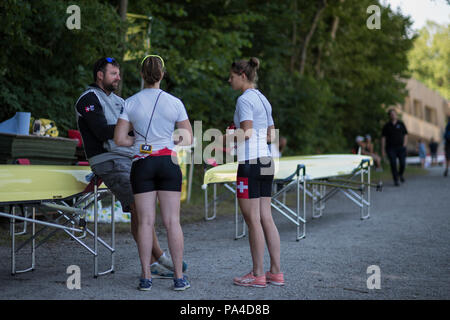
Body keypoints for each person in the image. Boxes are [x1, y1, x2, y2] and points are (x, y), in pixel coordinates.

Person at [75, 57, 184, 281]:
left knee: (143, 208)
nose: (119, 78)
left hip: (133, 158)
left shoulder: (122, 101)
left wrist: (139, 129)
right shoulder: (89, 99)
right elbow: (101, 131)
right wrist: (139, 128)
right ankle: (160, 259)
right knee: (138, 206)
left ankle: (154, 263)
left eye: (119, 73)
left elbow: (134, 130)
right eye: (113, 74)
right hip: (109, 160)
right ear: (100, 75)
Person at [114, 55, 193, 291]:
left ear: (141, 75)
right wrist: (169, 140)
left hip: (142, 164)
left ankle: (146, 277)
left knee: (146, 222)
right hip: (168, 163)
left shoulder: (130, 102)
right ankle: (179, 278)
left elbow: (119, 139)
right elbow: (188, 137)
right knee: (172, 222)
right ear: (162, 74)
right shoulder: (175, 102)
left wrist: (138, 142)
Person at [223, 57, 283, 288]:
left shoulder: (244, 100)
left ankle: (257, 274)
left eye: (232, 76)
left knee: (253, 221)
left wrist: (225, 140)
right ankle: (275, 272)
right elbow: (271, 136)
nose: (230, 80)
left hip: (250, 163)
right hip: (266, 160)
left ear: (243, 76)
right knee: (266, 217)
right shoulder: (263, 99)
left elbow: (246, 133)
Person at [381, 109, 408, 186]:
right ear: (389, 116)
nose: (393, 115)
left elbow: (405, 134)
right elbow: (383, 138)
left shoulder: (401, 124)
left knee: (402, 163)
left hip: (401, 147)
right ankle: (396, 180)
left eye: (394, 114)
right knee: (393, 163)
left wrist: (405, 144)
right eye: (391, 114)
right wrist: (382, 149)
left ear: (396, 115)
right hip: (390, 148)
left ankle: (400, 174)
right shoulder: (386, 126)